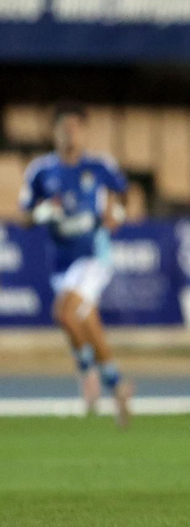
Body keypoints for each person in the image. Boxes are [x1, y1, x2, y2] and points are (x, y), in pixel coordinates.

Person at [18, 103, 133, 427]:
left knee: (63, 313)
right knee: (84, 322)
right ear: (53, 131)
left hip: (94, 254)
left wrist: (117, 214)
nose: (70, 132)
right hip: (61, 262)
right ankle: (117, 384)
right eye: (63, 126)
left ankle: (87, 373)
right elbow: (25, 216)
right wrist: (42, 213)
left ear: (83, 131)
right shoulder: (41, 171)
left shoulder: (99, 166)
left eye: (75, 126)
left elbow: (123, 194)